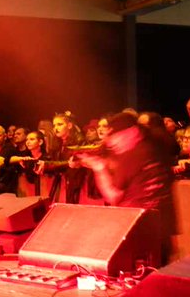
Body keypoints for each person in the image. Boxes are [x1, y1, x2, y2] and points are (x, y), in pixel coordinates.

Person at [74, 112, 177, 261]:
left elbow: (113, 196)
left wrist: (99, 168)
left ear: (131, 132)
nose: (111, 144)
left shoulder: (132, 155)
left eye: (115, 137)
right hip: (162, 229)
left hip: (139, 230)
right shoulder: (155, 147)